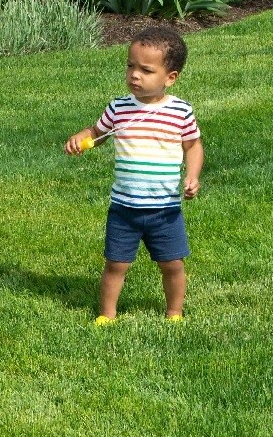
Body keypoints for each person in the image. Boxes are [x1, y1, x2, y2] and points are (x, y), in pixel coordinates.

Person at [64, 26, 205, 324]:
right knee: (115, 264)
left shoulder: (180, 112)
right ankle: (107, 314)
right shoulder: (119, 108)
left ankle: (174, 312)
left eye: (146, 70)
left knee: (173, 264)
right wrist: (83, 137)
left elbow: (193, 147)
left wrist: (192, 176)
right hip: (124, 208)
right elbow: (99, 133)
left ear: (171, 77)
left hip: (165, 210)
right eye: (130, 66)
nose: (134, 75)